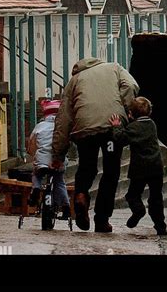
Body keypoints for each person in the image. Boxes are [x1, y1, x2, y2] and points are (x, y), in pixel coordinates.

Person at [51, 57, 139, 233]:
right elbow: (131, 86)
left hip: (85, 129)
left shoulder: (74, 80)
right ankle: (102, 219)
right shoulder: (114, 67)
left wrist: (58, 153)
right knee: (111, 172)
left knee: (87, 167)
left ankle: (81, 196)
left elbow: (64, 118)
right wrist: (125, 109)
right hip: (111, 127)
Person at [109, 96, 167, 236]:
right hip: (156, 167)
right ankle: (160, 226)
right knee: (156, 198)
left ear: (131, 114)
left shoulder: (133, 127)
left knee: (132, 195)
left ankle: (138, 210)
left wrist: (116, 126)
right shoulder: (152, 124)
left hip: (140, 168)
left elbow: (121, 139)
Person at [27, 99, 71, 220]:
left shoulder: (40, 126)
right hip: (58, 162)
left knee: (36, 175)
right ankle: (66, 208)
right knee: (60, 182)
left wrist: (32, 153)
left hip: (41, 161)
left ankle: (36, 189)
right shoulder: (63, 128)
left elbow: (32, 142)